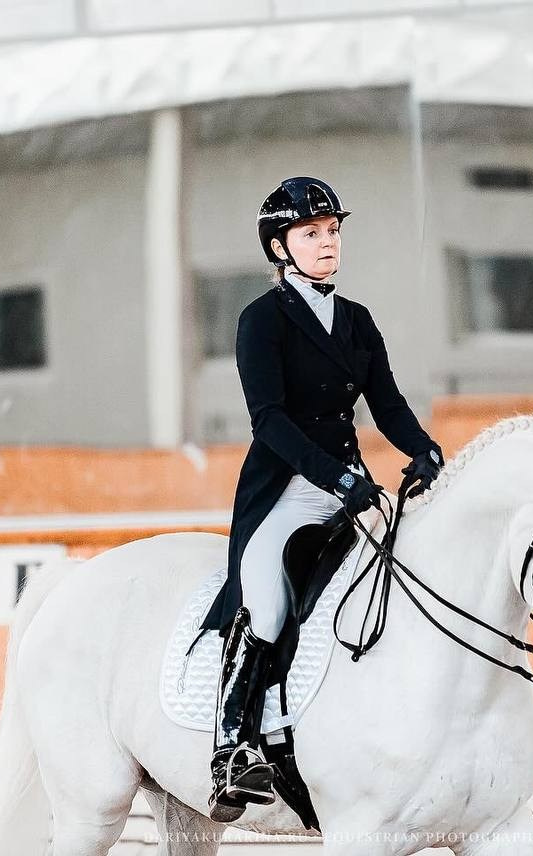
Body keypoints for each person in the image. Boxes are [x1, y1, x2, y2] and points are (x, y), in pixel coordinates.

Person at [198, 177, 444, 822]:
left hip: (352, 489)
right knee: (268, 600)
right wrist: (333, 476)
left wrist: (422, 448)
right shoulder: (262, 320)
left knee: (421, 577)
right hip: (288, 489)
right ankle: (234, 745)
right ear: (281, 246)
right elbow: (270, 421)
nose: (327, 243)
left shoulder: (356, 319)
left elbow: (385, 401)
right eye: (312, 234)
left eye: (332, 231)